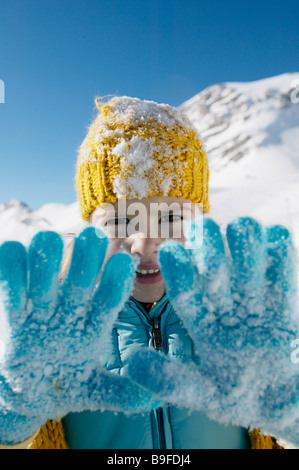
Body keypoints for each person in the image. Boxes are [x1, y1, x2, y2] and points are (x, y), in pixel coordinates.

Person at [0, 96, 292, 449]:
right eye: (122, 220)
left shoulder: (244, 321)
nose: (143, 243)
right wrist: (13, 430)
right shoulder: (56, 330)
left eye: (170, 218)